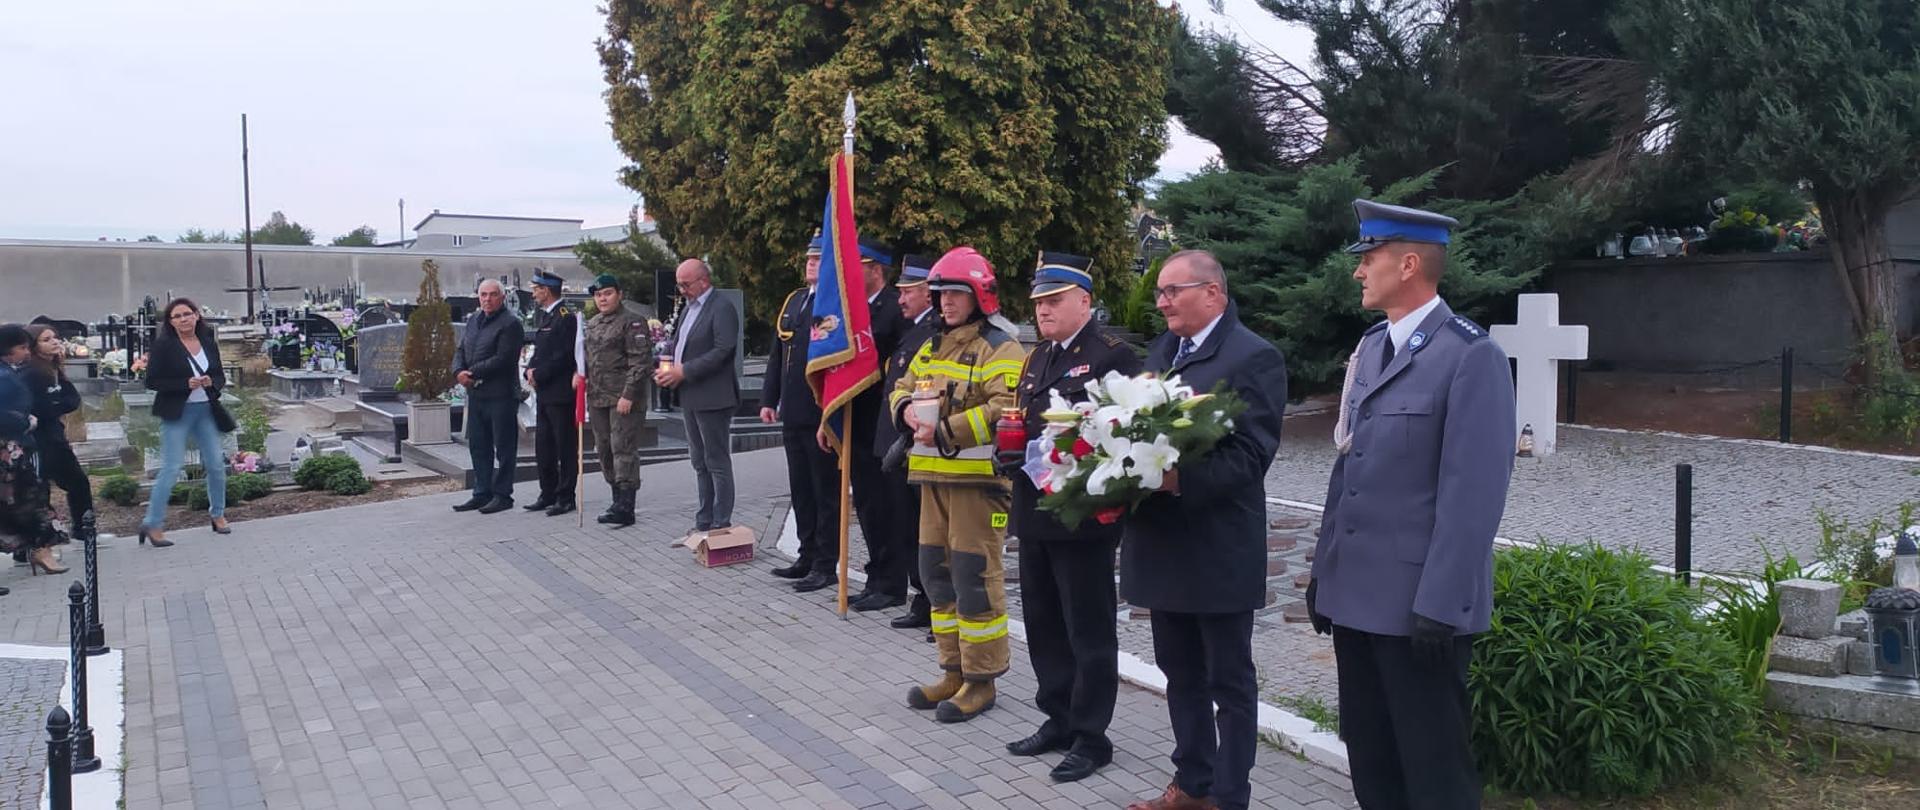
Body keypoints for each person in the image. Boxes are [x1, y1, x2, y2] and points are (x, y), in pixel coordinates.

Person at [1307, 199, 1515, 810]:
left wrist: (1443, 603)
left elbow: (1472, 495)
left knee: (1434, 771)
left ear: (1409, 264)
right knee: (1372, 760)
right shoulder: (1371, 349)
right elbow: (1348, 473)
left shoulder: (1469, 355)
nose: (1357, 271)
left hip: (1419, 611)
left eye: (1367, 258)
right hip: (1358, 601)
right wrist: (1325, 574)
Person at [1120, 250, 1287, 810]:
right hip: (1165, 544)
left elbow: (1250, 458)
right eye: (1161, 292)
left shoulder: (1252, 357)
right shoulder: (1164, 351)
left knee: (1228, 683)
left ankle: (1229, 796)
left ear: (1212, 292)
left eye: (1172, 291)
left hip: (1217, 548)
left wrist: (1175, 479)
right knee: (1180, 672)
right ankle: (1192, 784)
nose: (1161, 301)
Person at [1002, 251, 1140, 782]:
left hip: (1083, 516)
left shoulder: (1112, 358)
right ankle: (1057, 717)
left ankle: (1091, 735)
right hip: (1035, 511)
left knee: (1088, 628)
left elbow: (1123, 438)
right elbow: (1025, 423)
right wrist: (1008, 452)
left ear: (1085, 301)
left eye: (1055, 300)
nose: (1044, 310)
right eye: (1039, 302)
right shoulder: (1038, 358)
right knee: (1042, 622)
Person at [889, 246, 1027, 723]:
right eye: (941, 293)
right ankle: (952, 670)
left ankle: (981, 680)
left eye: (955, 293)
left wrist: (946, 430)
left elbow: (1004, 407)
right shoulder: (930, 344)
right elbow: (903, 385)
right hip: (932, 479)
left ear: (979, 296)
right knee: (936, 576)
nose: (945, 302)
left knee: (975, 579)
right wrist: (904, 410)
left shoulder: (1002, 347)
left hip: (977, 485)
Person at [763, 235, 841, 593]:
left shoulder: (831, 304)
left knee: (824, 491)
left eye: (818, 259)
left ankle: (826, 563)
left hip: (818, 411)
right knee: (801, 490)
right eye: (808, 258)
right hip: (792, 411)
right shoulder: (795, 300)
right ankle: (806, 554)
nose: (811, 263)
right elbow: (778, 355)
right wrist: (769, 398)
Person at [139, 298, 236, 548]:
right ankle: (153, 523)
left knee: (215, 464)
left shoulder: (207, 342)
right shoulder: (164, 346)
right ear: (170, 322)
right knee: (171, 467)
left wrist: (210, 382)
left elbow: (220, 376)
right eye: (177, 316)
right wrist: (184, 384)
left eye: (188, 314)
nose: (184, 319)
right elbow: (152, 381)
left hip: (205, 410)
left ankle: (218, 515)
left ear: (196, 316)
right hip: (177, 412)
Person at [844, 239, 908, 610]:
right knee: (867, 505)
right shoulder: (855, 311)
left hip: (881, 423)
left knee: (886, 507)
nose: (853, 274)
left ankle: (891, 583)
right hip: (857, 420)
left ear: (876, 269)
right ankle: (876, 575)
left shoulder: (892, 311)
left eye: (860, 266)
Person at [655, 259, 740, 534]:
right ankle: (703, 519)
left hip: (713, 396)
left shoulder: (721, 308)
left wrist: (684, 371)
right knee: (699, 460)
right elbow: (679, 344)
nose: (681, 290)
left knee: (716, 460)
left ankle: (720, 521)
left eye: (686, 284)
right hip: (690, 395)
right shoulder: (688, 309)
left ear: (704, 281)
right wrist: (666, 366)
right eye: (679, 284)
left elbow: (723, 350)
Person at [877, 255, 939, 630]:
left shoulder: (932, 331)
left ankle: (933, 602)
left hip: (918, 444)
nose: (900, 299)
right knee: (906, 527)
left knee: (924, 530)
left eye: (908, 292)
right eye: (898, 291)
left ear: (927, 295)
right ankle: (923, 598)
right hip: (899, 442)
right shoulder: (909, 330)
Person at [581, 273, 652, 528]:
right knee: (604, 449)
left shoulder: (632, 322)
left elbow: (640, 362)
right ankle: (615, 498)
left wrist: (628, 394)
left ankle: (626, 505)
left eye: (608, 293)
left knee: (623, 447)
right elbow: (588, 359)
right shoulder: (593, 323)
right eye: (598, 295)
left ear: (619, 294)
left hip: (623, 398)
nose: (603, 298)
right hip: (598, 396)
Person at [451, 279, 528, 515]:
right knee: (479, 445)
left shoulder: (510, 324)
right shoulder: (474, 320)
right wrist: (457, 371)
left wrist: (471, 373)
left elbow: (503, 358)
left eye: (493, 295)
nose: (487, 299)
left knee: (504, 447)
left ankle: (503, 494)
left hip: (501, 394)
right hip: (477, 394)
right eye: (483, 294)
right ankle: (481, 492)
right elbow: (461, 349)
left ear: (502, 297)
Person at [0, 324, 64, 580]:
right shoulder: (4, 377)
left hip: (13, 447)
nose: (27, 352)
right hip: (10, 449)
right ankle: (41, 548)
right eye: (22, 347)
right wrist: (26, 422)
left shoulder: (10, 372)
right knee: (29, 498)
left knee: (22, 500)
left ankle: (39, 549)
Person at [522, 269, 584, 517]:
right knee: (544, 446)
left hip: (560, 392)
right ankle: (547, 492)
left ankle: (565, 496)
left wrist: (539, 373)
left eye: (536, 289)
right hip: (545, 392)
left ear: (546, 291)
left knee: (564, 446)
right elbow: (541, 351)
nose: (534, 293)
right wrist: (529, 369)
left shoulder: (565, 317)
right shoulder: (547, 317)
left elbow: (563, 356)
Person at [24, 325, 92, 547]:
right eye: (46, 339)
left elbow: (71, 399)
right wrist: (55, 406)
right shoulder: (31, 372)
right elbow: (39, 406)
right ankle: (36, 543)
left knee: (74, 483)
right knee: (44, 489)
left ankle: (82, 530)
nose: (55, 342)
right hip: (41, 438)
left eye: (55, 337)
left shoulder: (52, 368)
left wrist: (57, 404)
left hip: (54, 435)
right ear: (34, 346)